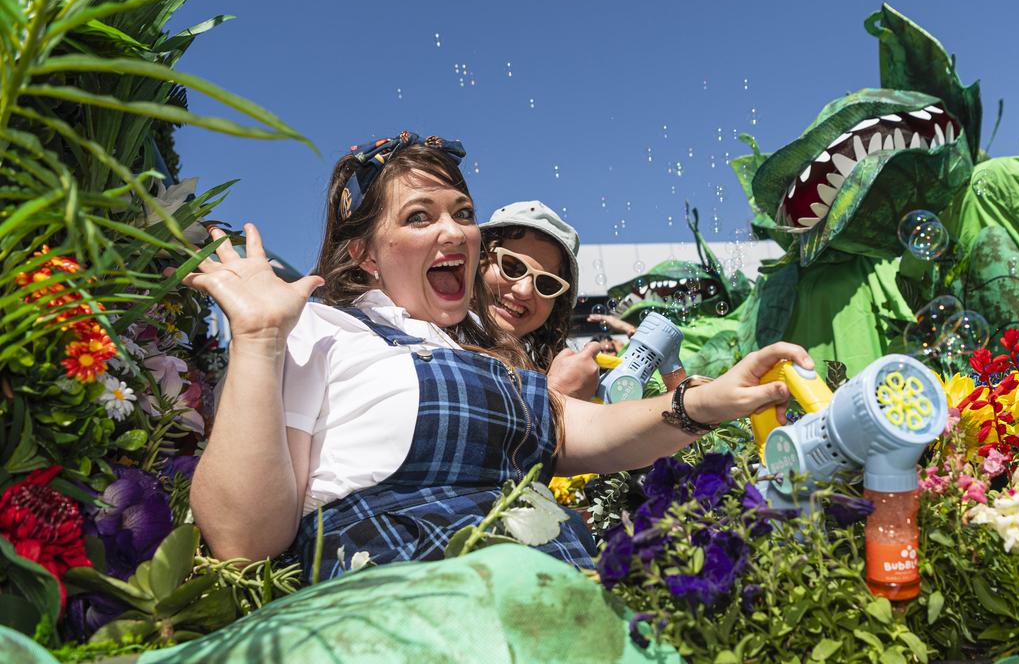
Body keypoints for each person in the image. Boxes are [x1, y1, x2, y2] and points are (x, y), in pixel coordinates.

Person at [184, 132, 810, 581]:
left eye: (462, 214)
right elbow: (242, 541)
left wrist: (704, 402)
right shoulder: (318, 330)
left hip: (557, 594)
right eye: (420, 217)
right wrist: (259, 339)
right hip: (411, 605)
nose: (454, 232)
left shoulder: (488, 356)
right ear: (365, 256)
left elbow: (581, 428)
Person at [478, 201, 600, 400]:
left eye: (546, 283)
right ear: (478, 259)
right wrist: (554, 397)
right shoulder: (427, 340)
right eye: (512, 266)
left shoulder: (560, 371)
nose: (523, 290)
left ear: (557, 304)